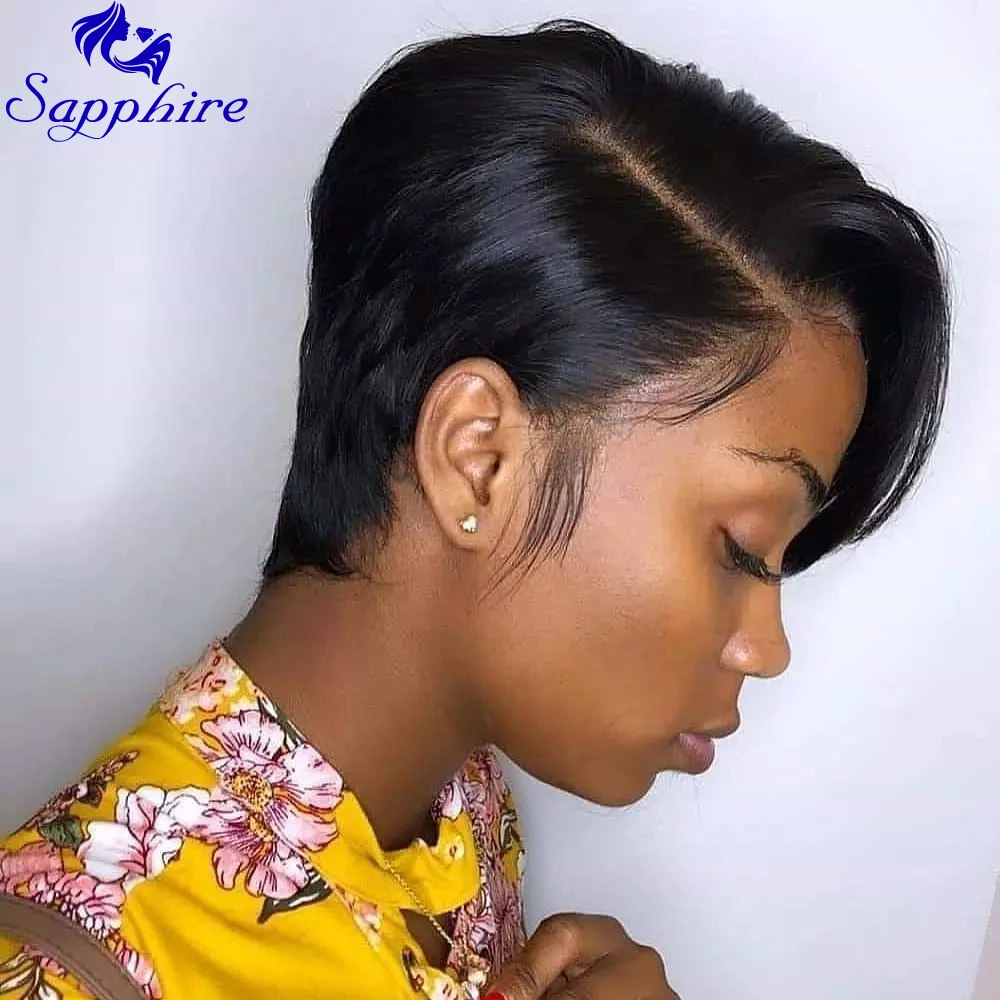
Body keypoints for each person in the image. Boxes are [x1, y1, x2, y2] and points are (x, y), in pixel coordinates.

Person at [0, 18, 949, 1000]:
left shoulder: (462, 805)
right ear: (479, 459)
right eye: (743, 547)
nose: (766, 646)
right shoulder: (63, 972)